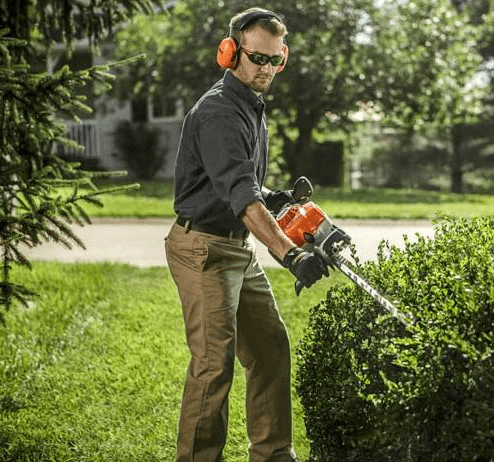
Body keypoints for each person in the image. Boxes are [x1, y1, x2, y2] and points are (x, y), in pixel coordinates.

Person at [164, 7, 328, 462]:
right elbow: (240, 196)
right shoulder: (219, 111)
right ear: (231, 52)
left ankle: (274, 455)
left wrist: (276, 199)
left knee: (270, 349)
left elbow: (245, 187)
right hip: (203, 249)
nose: (267, 69)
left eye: (276, 61)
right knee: (213, 366)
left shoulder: (251, 105)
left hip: (236, 246)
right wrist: (291, 255)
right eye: (258, 58)